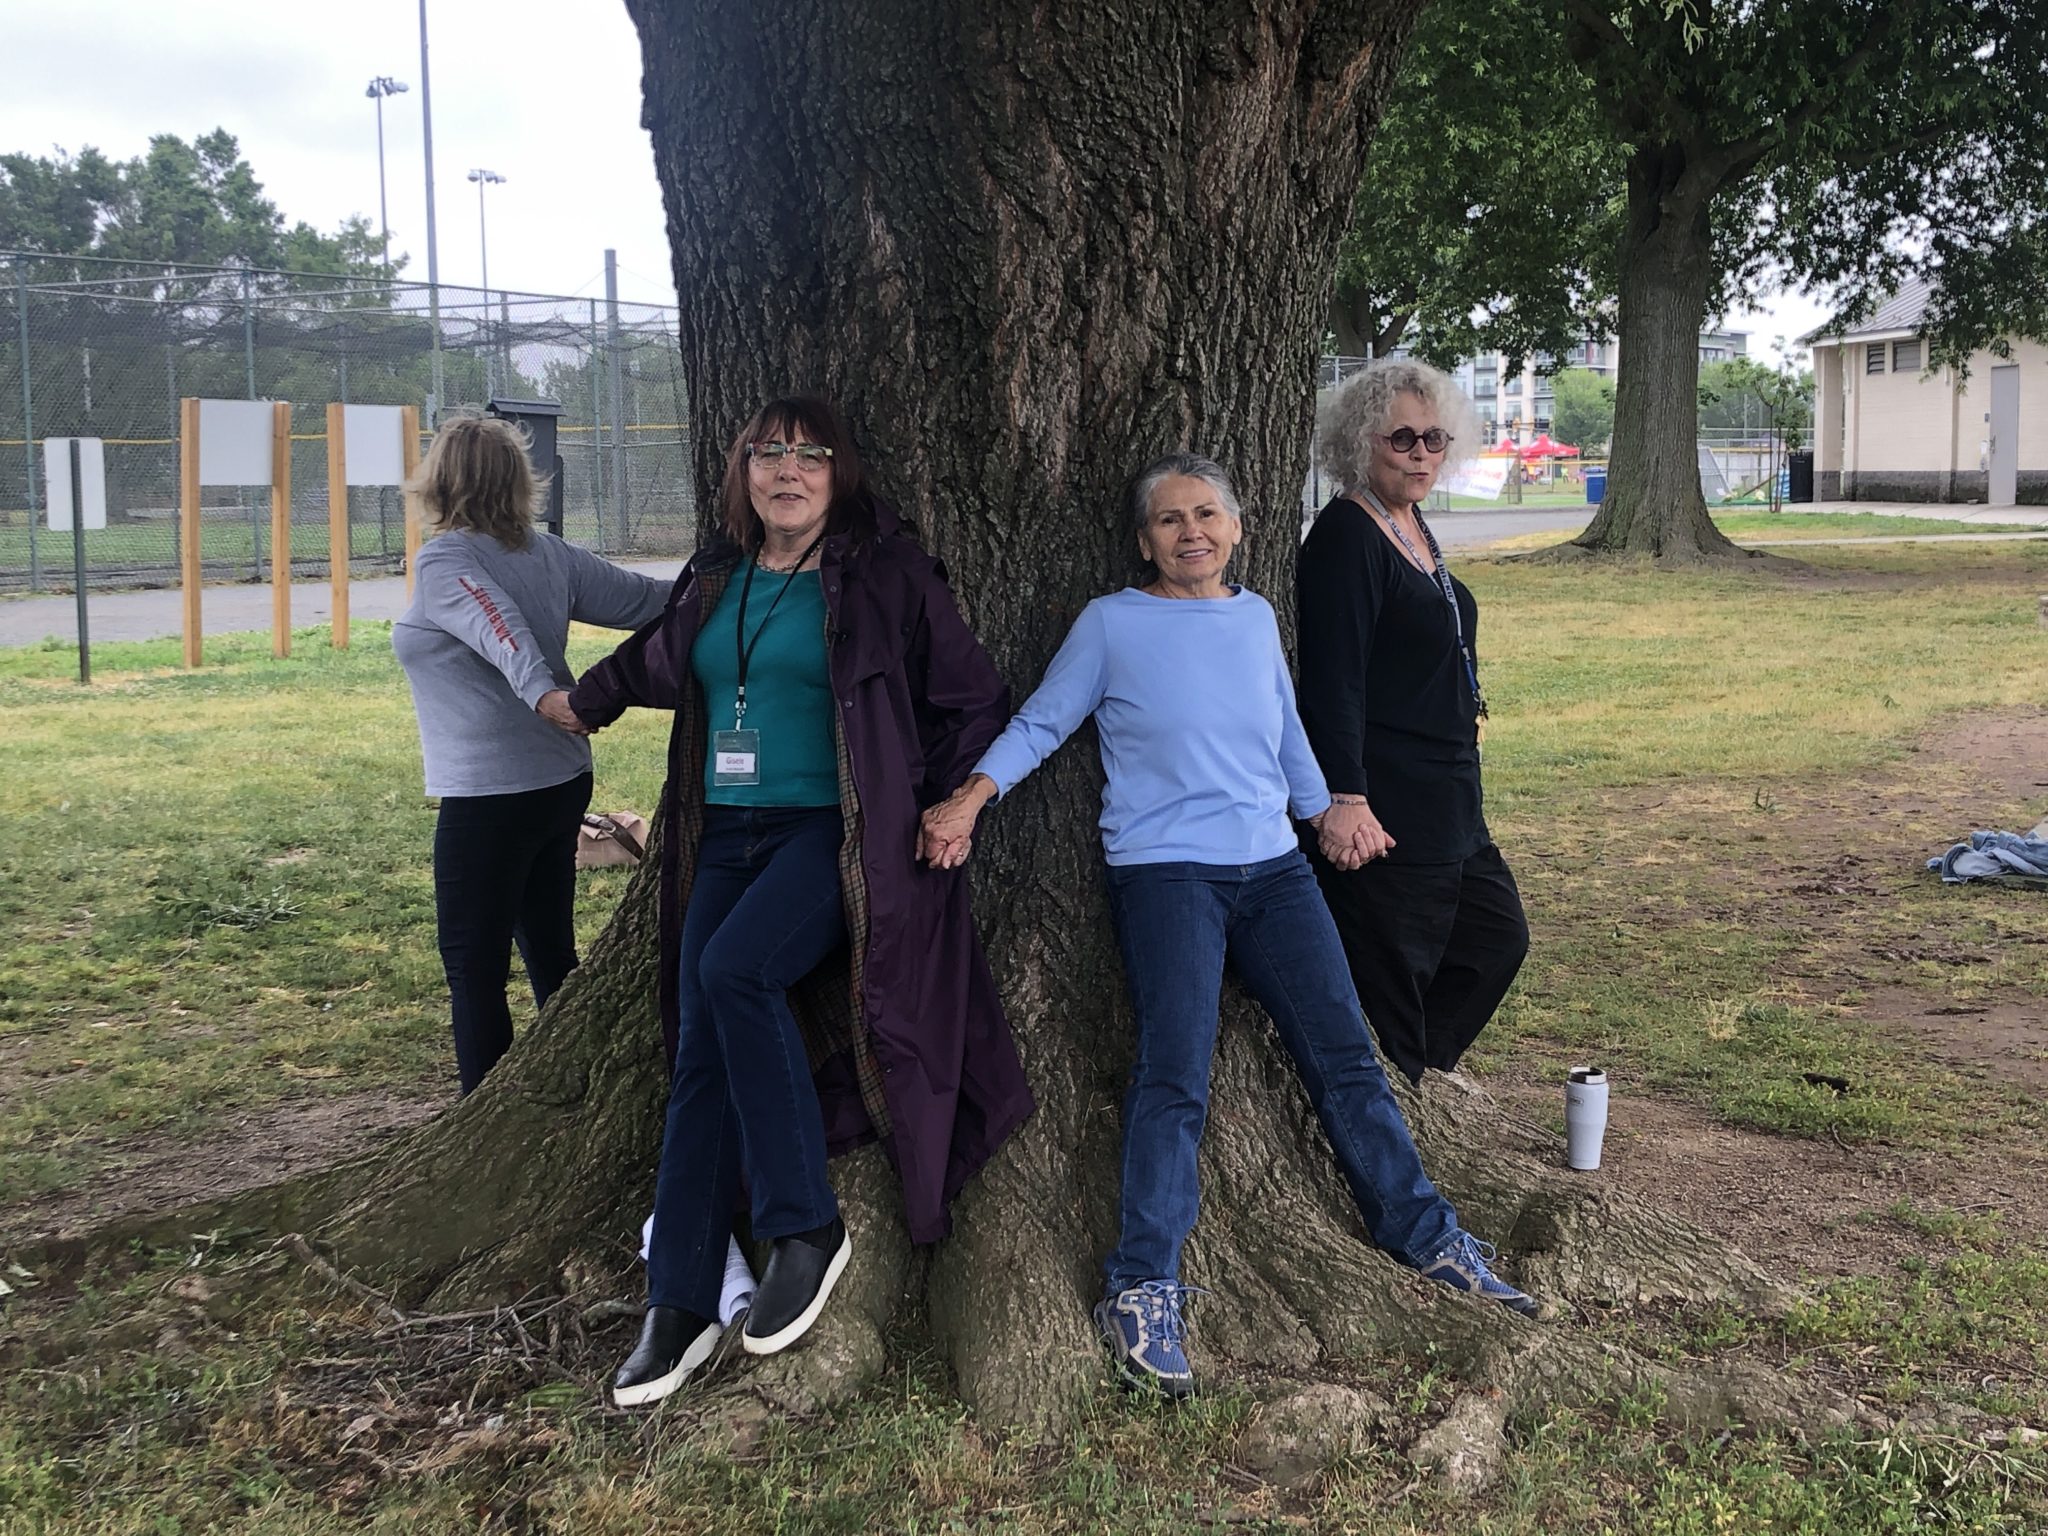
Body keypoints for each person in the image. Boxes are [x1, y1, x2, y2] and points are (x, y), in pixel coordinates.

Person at [918, 452, 1537, 1400]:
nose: (1191, 532)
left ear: (1239, 529)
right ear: (1143, 541)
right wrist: (969, 800)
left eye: (1207, 514)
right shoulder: (1112, 625)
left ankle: (1429, 1239)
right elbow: (1043, 723)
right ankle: (1141, 1287)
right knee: (1177, 1075)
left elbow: (1285, 726)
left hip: (1277, 872)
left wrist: (1324, 807)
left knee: (1346, 1061)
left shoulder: (1253, 617)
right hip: (1168, 877)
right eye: (1169, 520)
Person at [566, 396, 1034, 1408]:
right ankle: (681, 1297)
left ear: (838, 474)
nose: (785, 470)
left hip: (835, 839)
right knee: (698, 1037)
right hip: (723, 835)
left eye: (808, 455)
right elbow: (660, 656)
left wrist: (954, 805)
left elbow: (971, 696)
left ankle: (802, 1223)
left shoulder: (884, 576)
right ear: (741, 473)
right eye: (765, 453)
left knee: (736, 973)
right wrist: (582, 702)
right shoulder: (717, 575)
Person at [392, 414, 669, 1096]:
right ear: (520, 480)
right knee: (549, 950)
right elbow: (648, 600)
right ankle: (571, 1089)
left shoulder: (447, 560)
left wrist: (549, 697)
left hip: (493, 799)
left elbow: (499, 627)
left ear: (440, 481)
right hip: (558, 784)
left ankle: (482, 1107)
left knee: (472, 962)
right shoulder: (545, 553)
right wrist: (729, 578)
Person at [1297, 359, 1530, 1088]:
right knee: (1401, 964)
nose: (1422, 453)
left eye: (1434, 438)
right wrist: (1345, 796)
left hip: (1450, 789)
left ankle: (1419, 1075)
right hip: (1389, 799)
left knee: (1496, 936)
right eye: (1402, 439)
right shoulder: (1346, 537)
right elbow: (1332, 680)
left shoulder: (1411, 522)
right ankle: (1395, 1092)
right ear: (1359, 442)